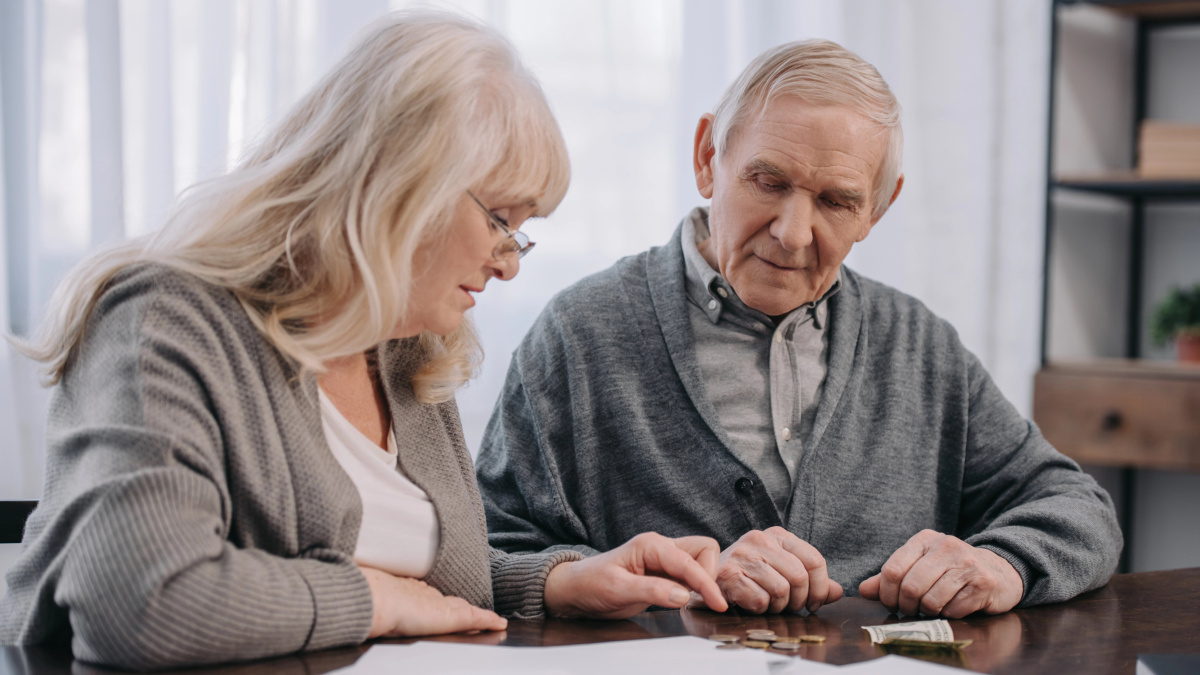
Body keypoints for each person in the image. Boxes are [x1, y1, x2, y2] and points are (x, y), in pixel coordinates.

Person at [0, 12, 728, 670]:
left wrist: (559, 579)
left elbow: (435, 585)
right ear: (400, 184)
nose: (510, 259)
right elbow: (140, 605)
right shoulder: (162, 319)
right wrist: (372, 599)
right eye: (502, 218)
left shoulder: (406, 349)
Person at [476, 38, 1123, 619]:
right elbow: (483, 550)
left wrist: (1000, 564)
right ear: (707, 157)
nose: (792, 232)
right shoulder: (579, 333)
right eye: (768, 180)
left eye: (836, 200)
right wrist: (622, 575)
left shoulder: (920, 345)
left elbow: (1078, 509)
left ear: (878, 207)